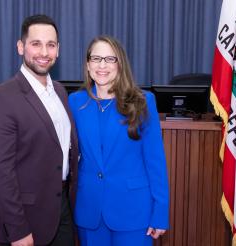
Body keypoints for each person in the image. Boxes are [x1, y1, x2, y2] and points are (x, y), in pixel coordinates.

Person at [0, 14, 78, 246]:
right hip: (25, 218)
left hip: (62, 211)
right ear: (20, 47)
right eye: (36, 44)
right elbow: (0, 172)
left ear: (58, 50)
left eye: (51, 45)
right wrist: (18, 231)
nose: (44, 52)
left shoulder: (61, 92)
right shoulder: (1, 97)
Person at [68, 36, 169, 245]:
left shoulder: (143, 101)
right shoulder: (75, 102)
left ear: (120, 64)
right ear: (87, 65)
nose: (102, 65)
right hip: (90, 210)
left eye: (109, 59)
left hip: (134, 211)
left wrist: (160, 211)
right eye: (96, 58)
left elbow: (155, 161)